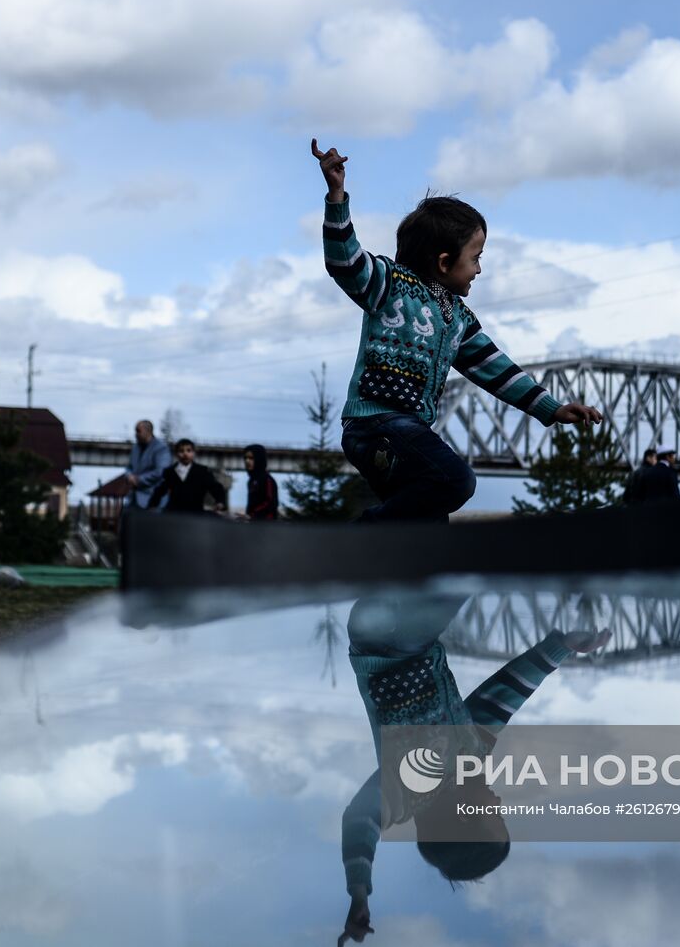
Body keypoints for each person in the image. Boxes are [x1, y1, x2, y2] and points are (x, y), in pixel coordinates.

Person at [312, 139, 603, 523]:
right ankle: (366, 533)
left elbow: (497, 370)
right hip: (375, 424)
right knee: (455, 480)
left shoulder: (459, 319)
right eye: (476, 259)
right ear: (445, 262)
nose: (480, 270)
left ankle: (399, 567)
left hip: (405, 432)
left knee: (428, 519)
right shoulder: (389, 285)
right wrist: (337, 197)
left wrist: (551, 408)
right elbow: (345, 262)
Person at [339, 593, 609, 944]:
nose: (498, 802)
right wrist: (561, 647)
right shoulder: (471, 757)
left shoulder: (406, 792)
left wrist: (359, 891)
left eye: (493, 814)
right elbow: (502, 696)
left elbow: (361, 820)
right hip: (416, 640)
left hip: (383, 642)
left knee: (459, 576)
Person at [148, 439, 228, 514]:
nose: (185, 454)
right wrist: (152, 506)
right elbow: (159, 491)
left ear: (194, 453)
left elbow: (215, 487)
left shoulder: (202, 471)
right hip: (173, 514)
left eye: (189, 450)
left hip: (195, 514)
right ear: (176, 454)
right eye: (181, 451)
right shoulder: (170, 471)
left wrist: (220, 502)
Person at [124, 419, 172, 512]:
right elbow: (129, 467)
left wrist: (139, 480)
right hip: (133, 500)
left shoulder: (161, 448)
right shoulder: (135, 448)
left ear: (148, 431)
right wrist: (129, 476)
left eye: (138, 431)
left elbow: (161, 471)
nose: (135, 434)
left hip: (153, 500)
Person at [243, 444, 279, 521]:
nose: (247, 461)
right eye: (245, 458)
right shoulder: (251, 481)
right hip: (254, 525)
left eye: (251, 458)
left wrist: (253, 516)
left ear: (259, 459)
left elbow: (270, 503)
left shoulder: (267, 479)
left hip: (266, 526)